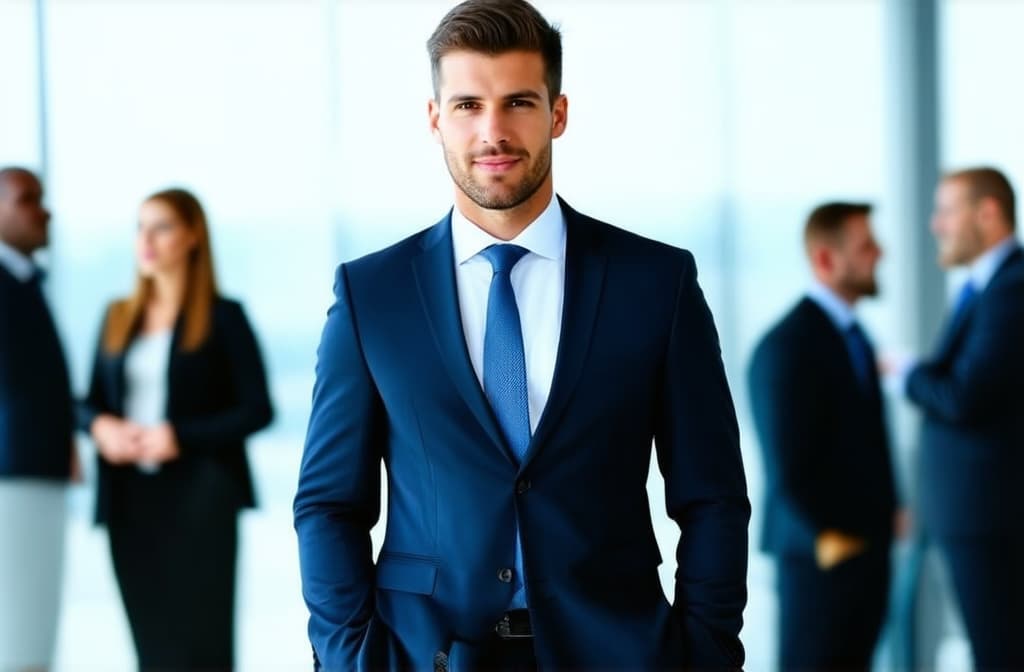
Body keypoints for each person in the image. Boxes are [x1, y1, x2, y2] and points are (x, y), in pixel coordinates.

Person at [293, 1, 749, 670]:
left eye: (519, 103)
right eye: (468, 105)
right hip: (428, 653)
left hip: (618, 649)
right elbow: (330, 503)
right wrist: (350, 657)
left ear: (557, 113)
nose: (493, 130)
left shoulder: (655, 284)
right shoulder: (373, 296)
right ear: (435, 118)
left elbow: (712, 495)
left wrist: (703, 652)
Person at [79, 187, 273, 669]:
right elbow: (88, 403)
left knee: (202, 645)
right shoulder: (117, 316)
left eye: (161, 226)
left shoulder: (224, 317)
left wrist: (179, 436)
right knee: (152, 644)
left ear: (191, 236)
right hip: (129, 500)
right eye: (140, 227)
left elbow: (257, 409)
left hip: (201, 499)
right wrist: (101, 427)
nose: (145, 239)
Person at [748, 202, 898, 670]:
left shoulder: (853, 336)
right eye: (866, 246)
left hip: (864, 553)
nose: (880, 253)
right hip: (820, 558)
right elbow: (789, 471)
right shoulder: (787, 346)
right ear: (827, 260)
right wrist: (846, 539)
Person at [900, 167, 1024, 669]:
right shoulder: (987, 287)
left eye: (947, 210)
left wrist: (907, 373)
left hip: (990, 517)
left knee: (1000, 651)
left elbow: (965, 396)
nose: (935, 225)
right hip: (975, 515)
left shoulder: (1011, 288)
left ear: (988, 212)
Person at [0, 167, 77, 671]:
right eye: (28, 199)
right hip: (14, 473)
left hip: (38, 470)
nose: (42, 210)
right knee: (20, 632)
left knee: (33, 625)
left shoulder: (26, 281)